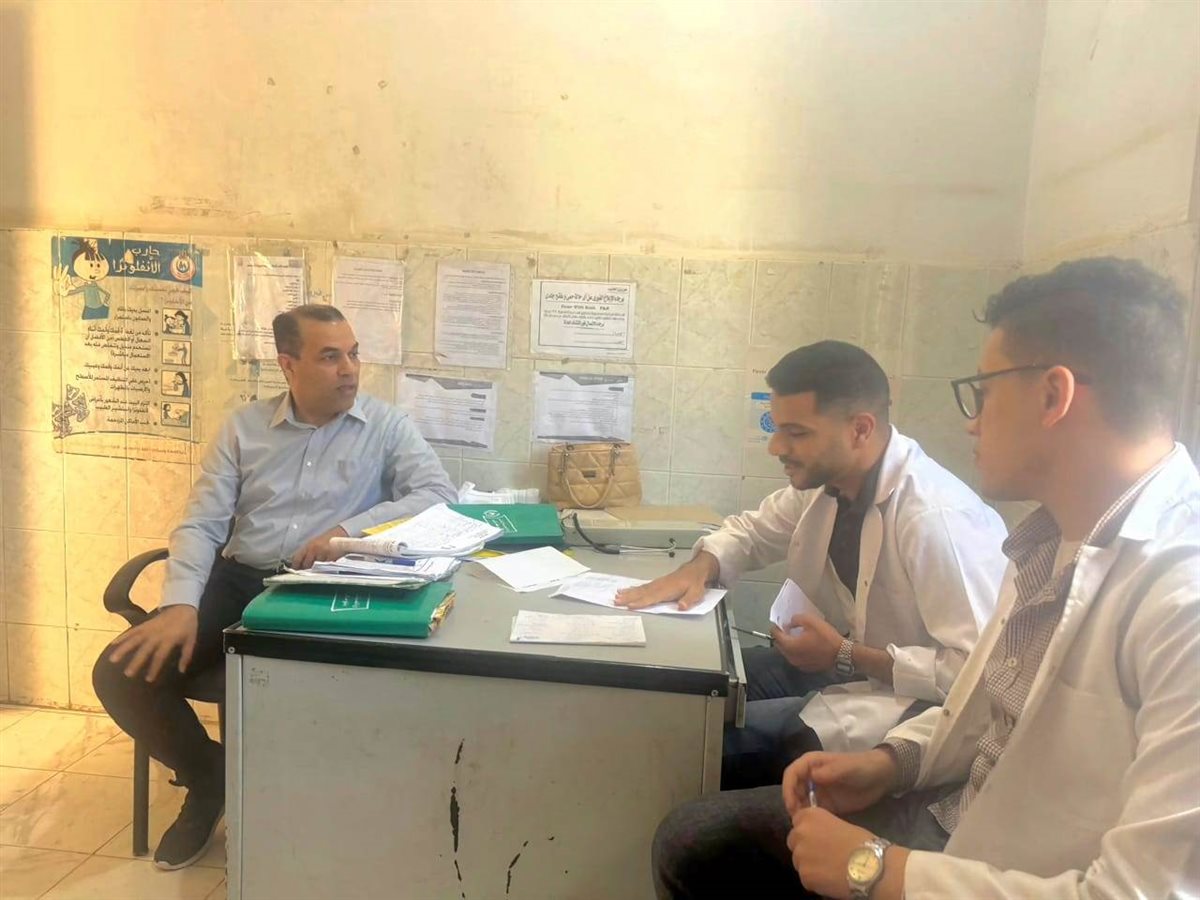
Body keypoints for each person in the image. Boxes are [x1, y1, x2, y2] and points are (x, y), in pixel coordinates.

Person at [652, 257, 1200, 899]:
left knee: (706, 829)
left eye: (983, 392)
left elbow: (1145, 892)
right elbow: (981, 708)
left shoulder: (1179, 598)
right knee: (697, 831)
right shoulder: (1051, 539)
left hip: (1003, 866)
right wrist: (891, 764)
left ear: (1053, 396)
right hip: (957, 809)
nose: (971, 421)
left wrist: (879, 870)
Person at [93, 304, 458, 870]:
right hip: (238, 578)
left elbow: (438, 495)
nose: (349, 369)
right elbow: (202, 523)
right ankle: (211, 780)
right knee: (120, 673)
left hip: (318, 588)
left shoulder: (386, 427)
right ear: (288, 365)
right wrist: (180, 603)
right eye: (330, 357)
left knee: (303, 687)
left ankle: (302, 810)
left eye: (353, 354)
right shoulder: (244, 428)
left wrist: (347, 532)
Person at [618, 341, 1007, 788]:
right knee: (696, 692)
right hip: (849, 667)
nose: (776, 447)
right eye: (777, 429)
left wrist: (846, 655)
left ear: (860, 429)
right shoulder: (828, 484)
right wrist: (699, 567)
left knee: (694, 738)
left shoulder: (936, 520)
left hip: (920, 713)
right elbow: (751, 532)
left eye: (797, 433)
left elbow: (981, 678)